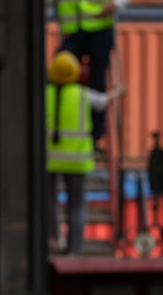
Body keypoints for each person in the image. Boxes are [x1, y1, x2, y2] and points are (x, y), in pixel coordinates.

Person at [46, 0, 131, 144]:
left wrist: (111, 5)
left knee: (96, 79)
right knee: (59, 72)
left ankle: (95, 134)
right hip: (72, 32)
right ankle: (59, 125)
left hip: (99, 32)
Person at [45, 51, 124, 254]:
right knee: (76, 206)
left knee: (49, 203)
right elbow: (103, 101)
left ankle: (53, 239)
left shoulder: (43, 94)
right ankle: (74, 249)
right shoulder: (81, 93)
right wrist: (117, 92)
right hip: (77, 161)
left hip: (49, 161)